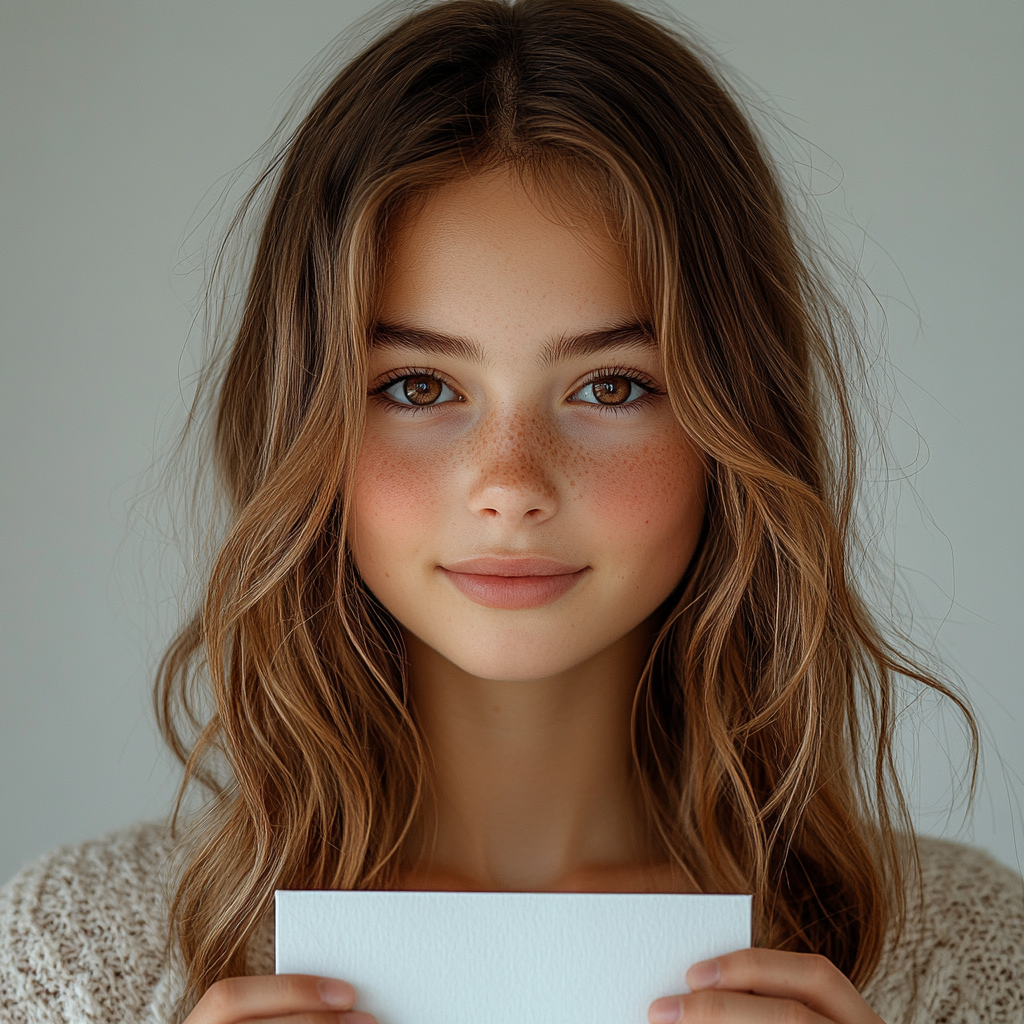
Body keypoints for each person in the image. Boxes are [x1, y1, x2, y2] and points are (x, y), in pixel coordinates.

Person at [1, 1, 1021, 1022]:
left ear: (736, 423)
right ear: (302, 425)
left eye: (611, 386)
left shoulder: (967, 956)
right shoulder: (74, 956)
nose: (511, 484)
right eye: (416, 386)